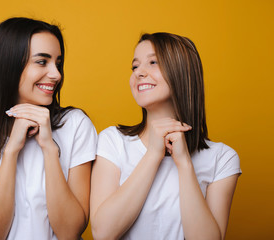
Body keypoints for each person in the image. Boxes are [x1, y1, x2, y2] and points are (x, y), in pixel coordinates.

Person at [0, 17, 97, 240]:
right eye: (42, 62)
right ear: (9, 64)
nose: (56, 74)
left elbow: (69, 232)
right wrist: (11, 150)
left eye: (58, 63)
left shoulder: (75, 124)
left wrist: (49, 148)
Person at [90, 32, 241, 240]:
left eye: (153, 62)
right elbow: (102, 233)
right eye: (135, 66)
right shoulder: (112, 141)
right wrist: (153, 154)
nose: (139, 73)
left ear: (182, 72)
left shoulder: (223, 158)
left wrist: (185, 163)